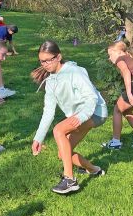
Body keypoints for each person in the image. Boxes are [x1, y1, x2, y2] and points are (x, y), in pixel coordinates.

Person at [31, 41, 108, 195]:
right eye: (42, 61)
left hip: (96, 112)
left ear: (58, 56)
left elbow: (91, 97)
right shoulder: (51, 80)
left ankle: (69, 180)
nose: (45, 64)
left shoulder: (75, 71)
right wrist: (38, 138)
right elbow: (48, 111)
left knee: (59, 130)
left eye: (49, 60)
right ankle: (95, 170)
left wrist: (82, 116)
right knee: (63, 154)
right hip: (79, 116)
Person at [102, 41, 133, 150]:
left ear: (118, 52)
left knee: (117, 109)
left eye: (110, 55)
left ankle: (115, 142)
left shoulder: (121, 59)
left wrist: (129, 93)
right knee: (127, 111)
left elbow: (126, 72)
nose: (110, 58)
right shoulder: (132, 58)